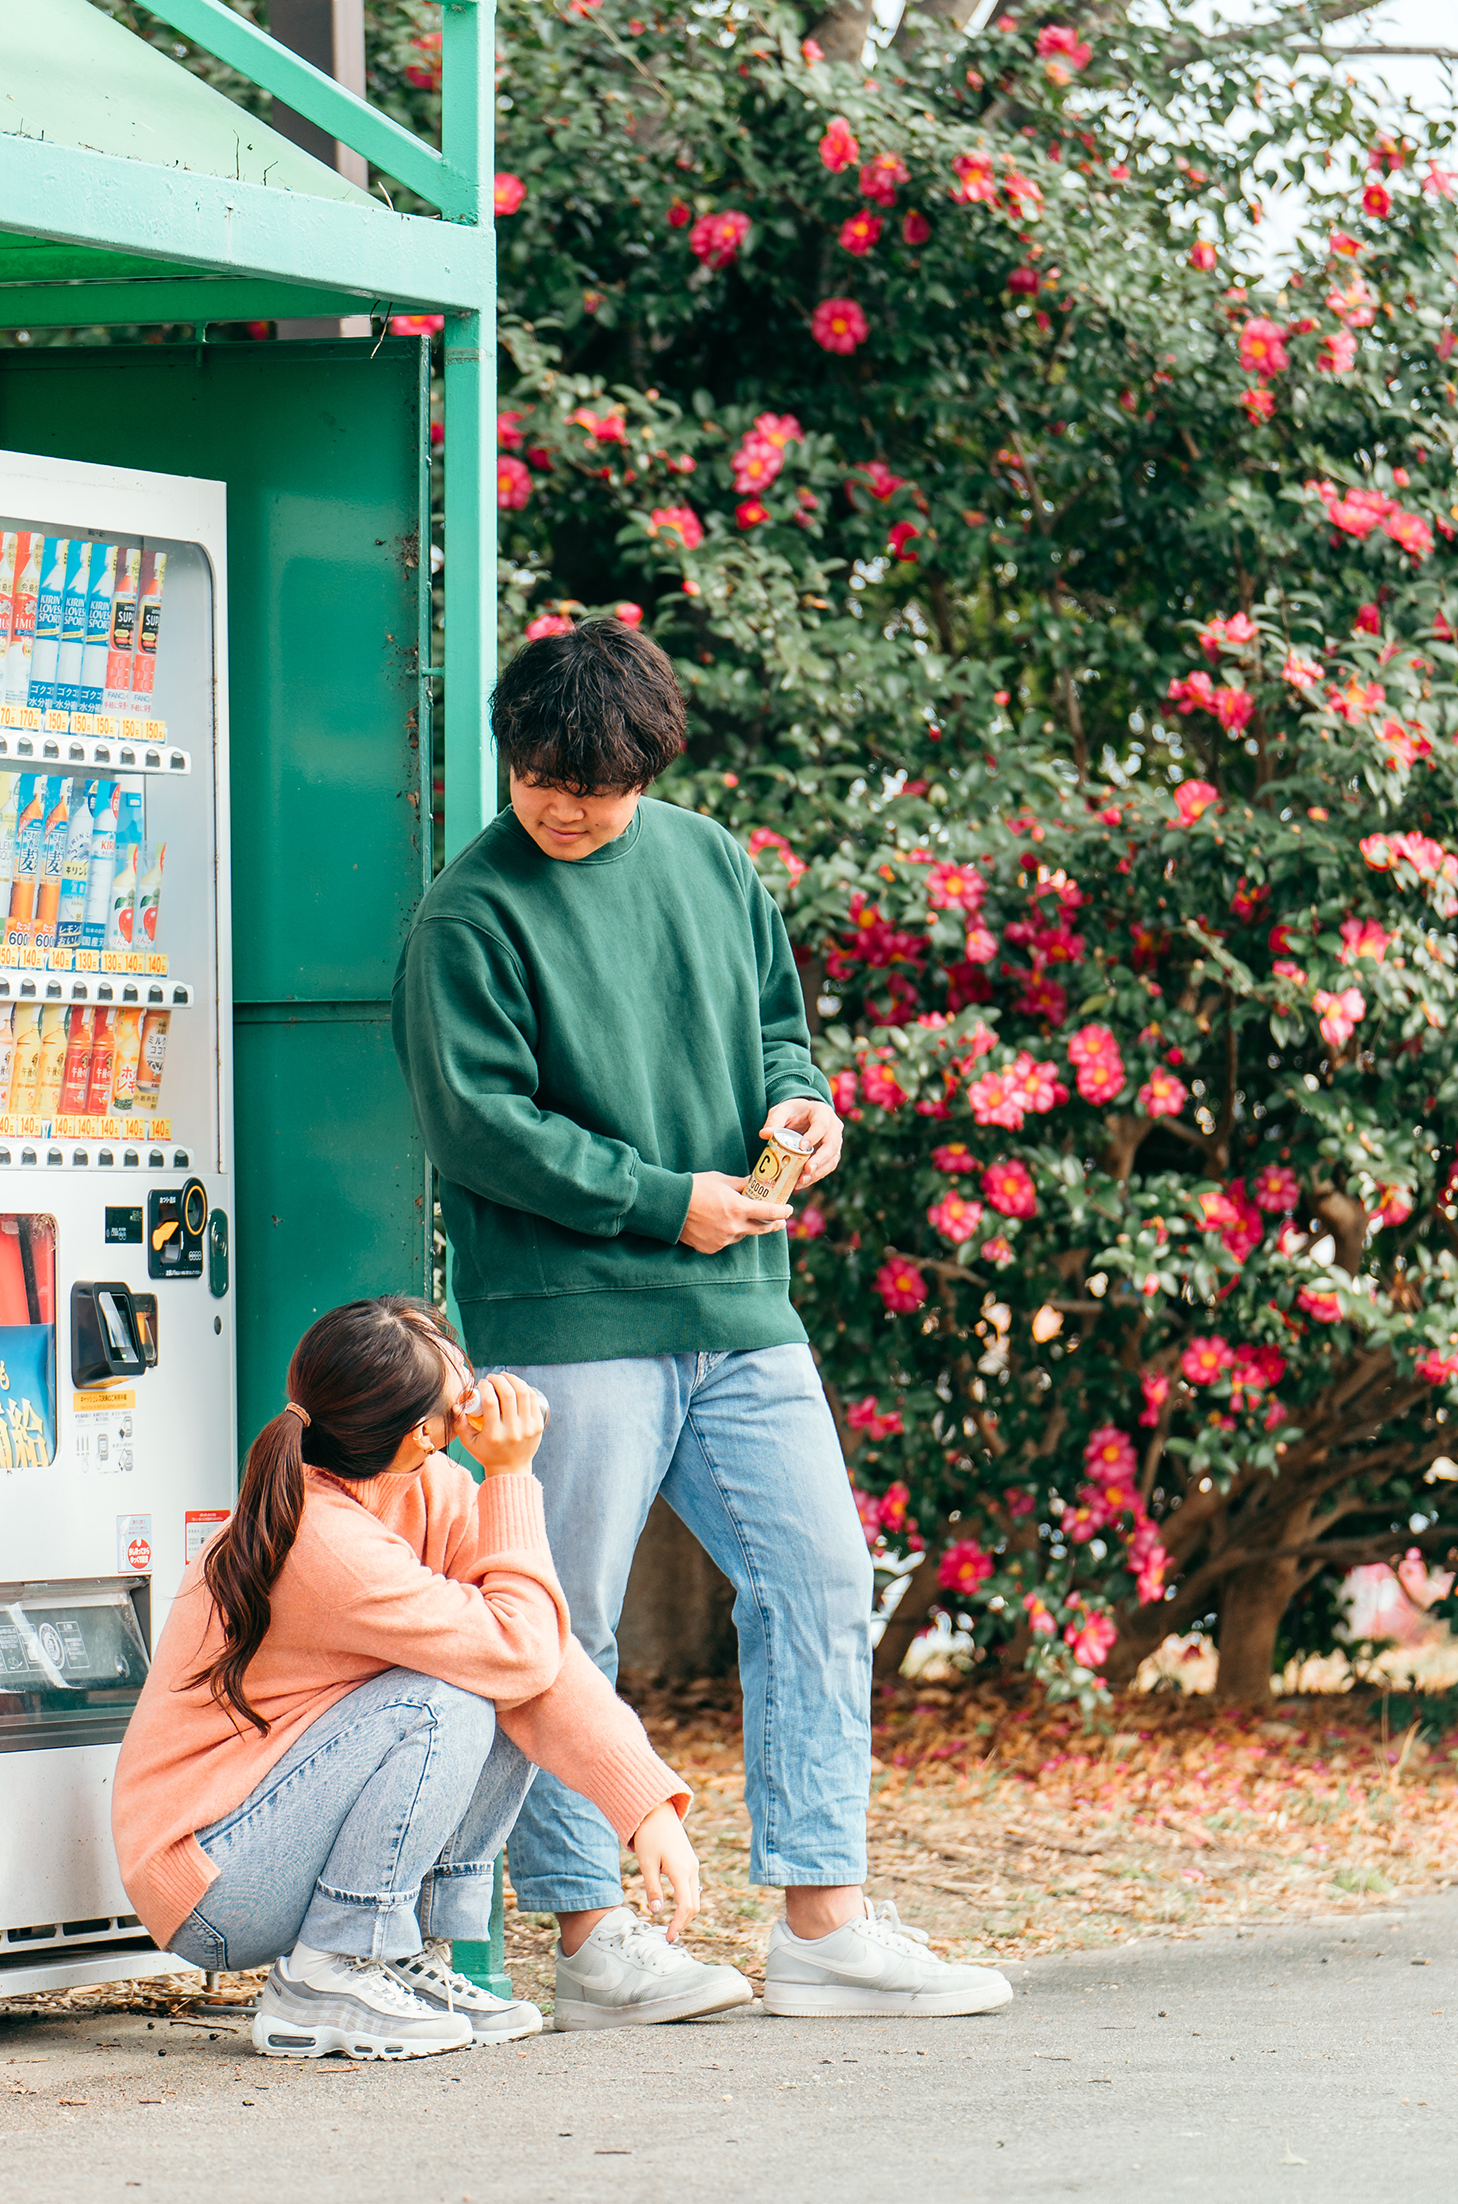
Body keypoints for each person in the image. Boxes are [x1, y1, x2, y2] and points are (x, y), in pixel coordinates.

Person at [393, 619, 1012, 2023]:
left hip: (740, 1300)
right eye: (541, 776)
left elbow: (779, 1029)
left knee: (820, 1581)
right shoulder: (468, 913)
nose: (564, 805)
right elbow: (477, 1127)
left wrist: (807, 1106)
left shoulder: (713, 859)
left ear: (650, 771)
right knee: (564, 1619)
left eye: (596, 788)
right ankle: (595, 1940)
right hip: (567, 1308)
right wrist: (661, 1198)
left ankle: (823, 1926)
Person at [112, 1293, 709, 2060]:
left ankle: (403, 1957)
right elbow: (517, 1648)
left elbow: (539, 1661)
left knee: (489, 1681)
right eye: (458, 1393)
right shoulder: (321, 1539)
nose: (479, 1397)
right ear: (420, 1434)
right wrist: (513, 1477)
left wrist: (647, 1805)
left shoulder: (428, 1488)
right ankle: (330, 1971)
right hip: (214, 1878)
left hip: (269, 1835)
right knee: (446, 1700)